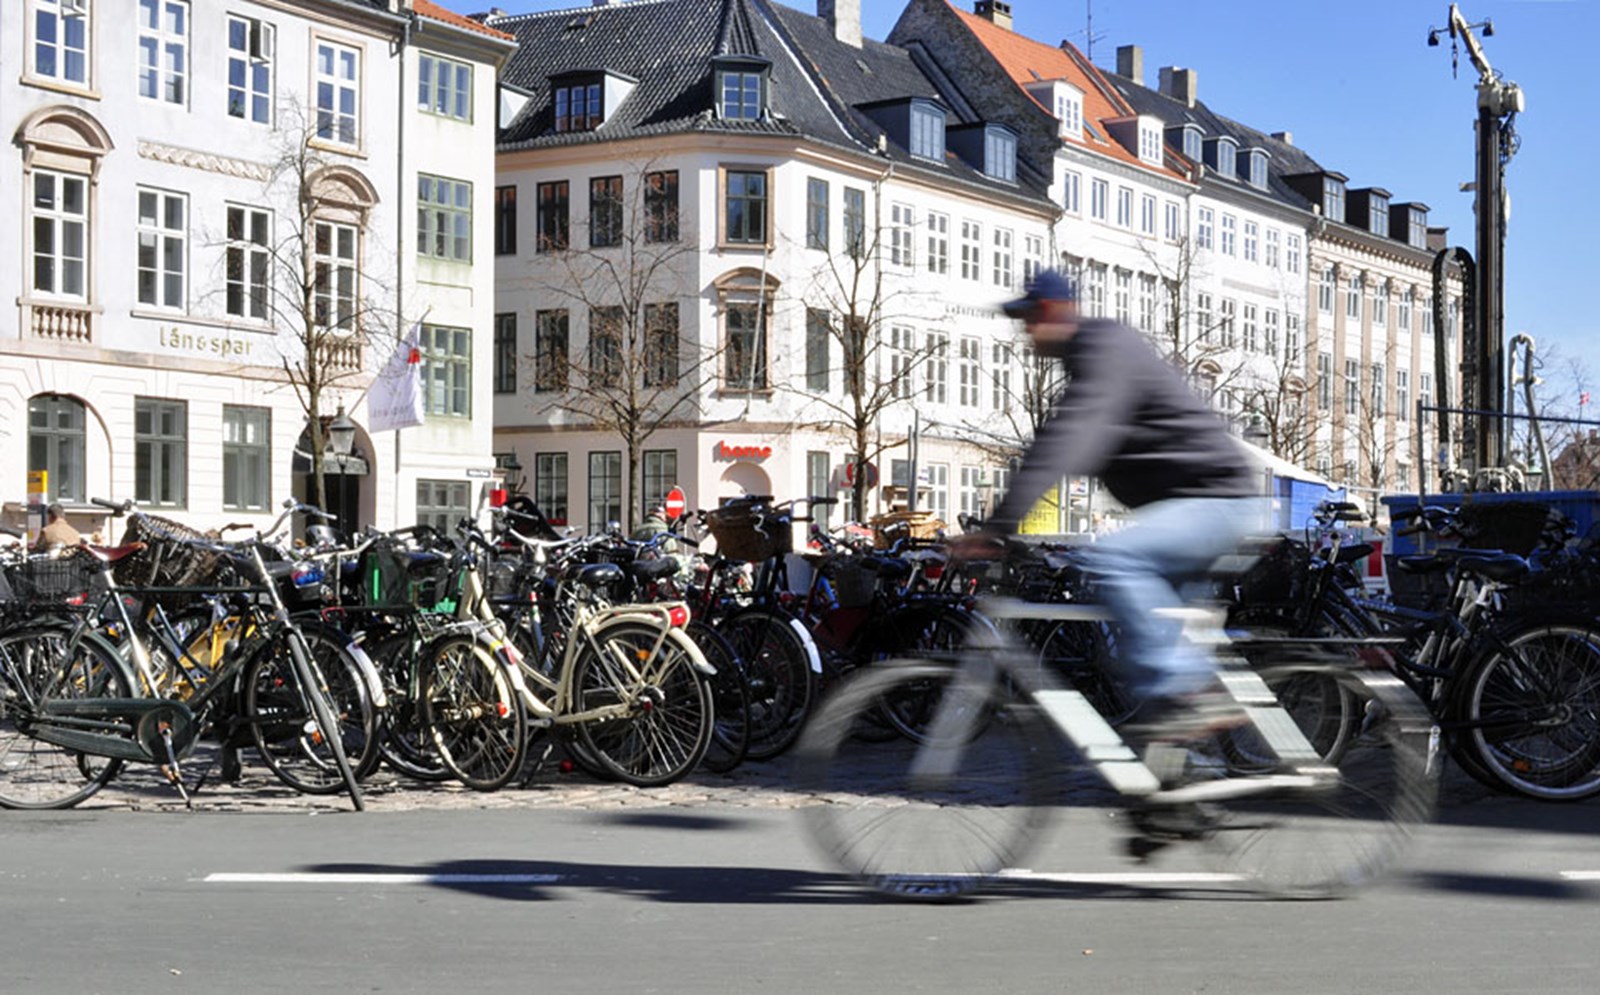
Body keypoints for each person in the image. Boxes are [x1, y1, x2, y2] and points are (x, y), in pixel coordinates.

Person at [962, 268, 1266, 739]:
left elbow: (1071, 439)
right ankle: (1186, 787)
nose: (1025, 334)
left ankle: (1193, 696)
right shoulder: (1088, 362)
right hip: (1195, 505)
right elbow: (1052, 444)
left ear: (1049, 311)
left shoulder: (1103, 347)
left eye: (1028, 320)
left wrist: (999, 526)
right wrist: (1006, 522)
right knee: (1151, 647)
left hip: (1216, 501)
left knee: (1113, 559)